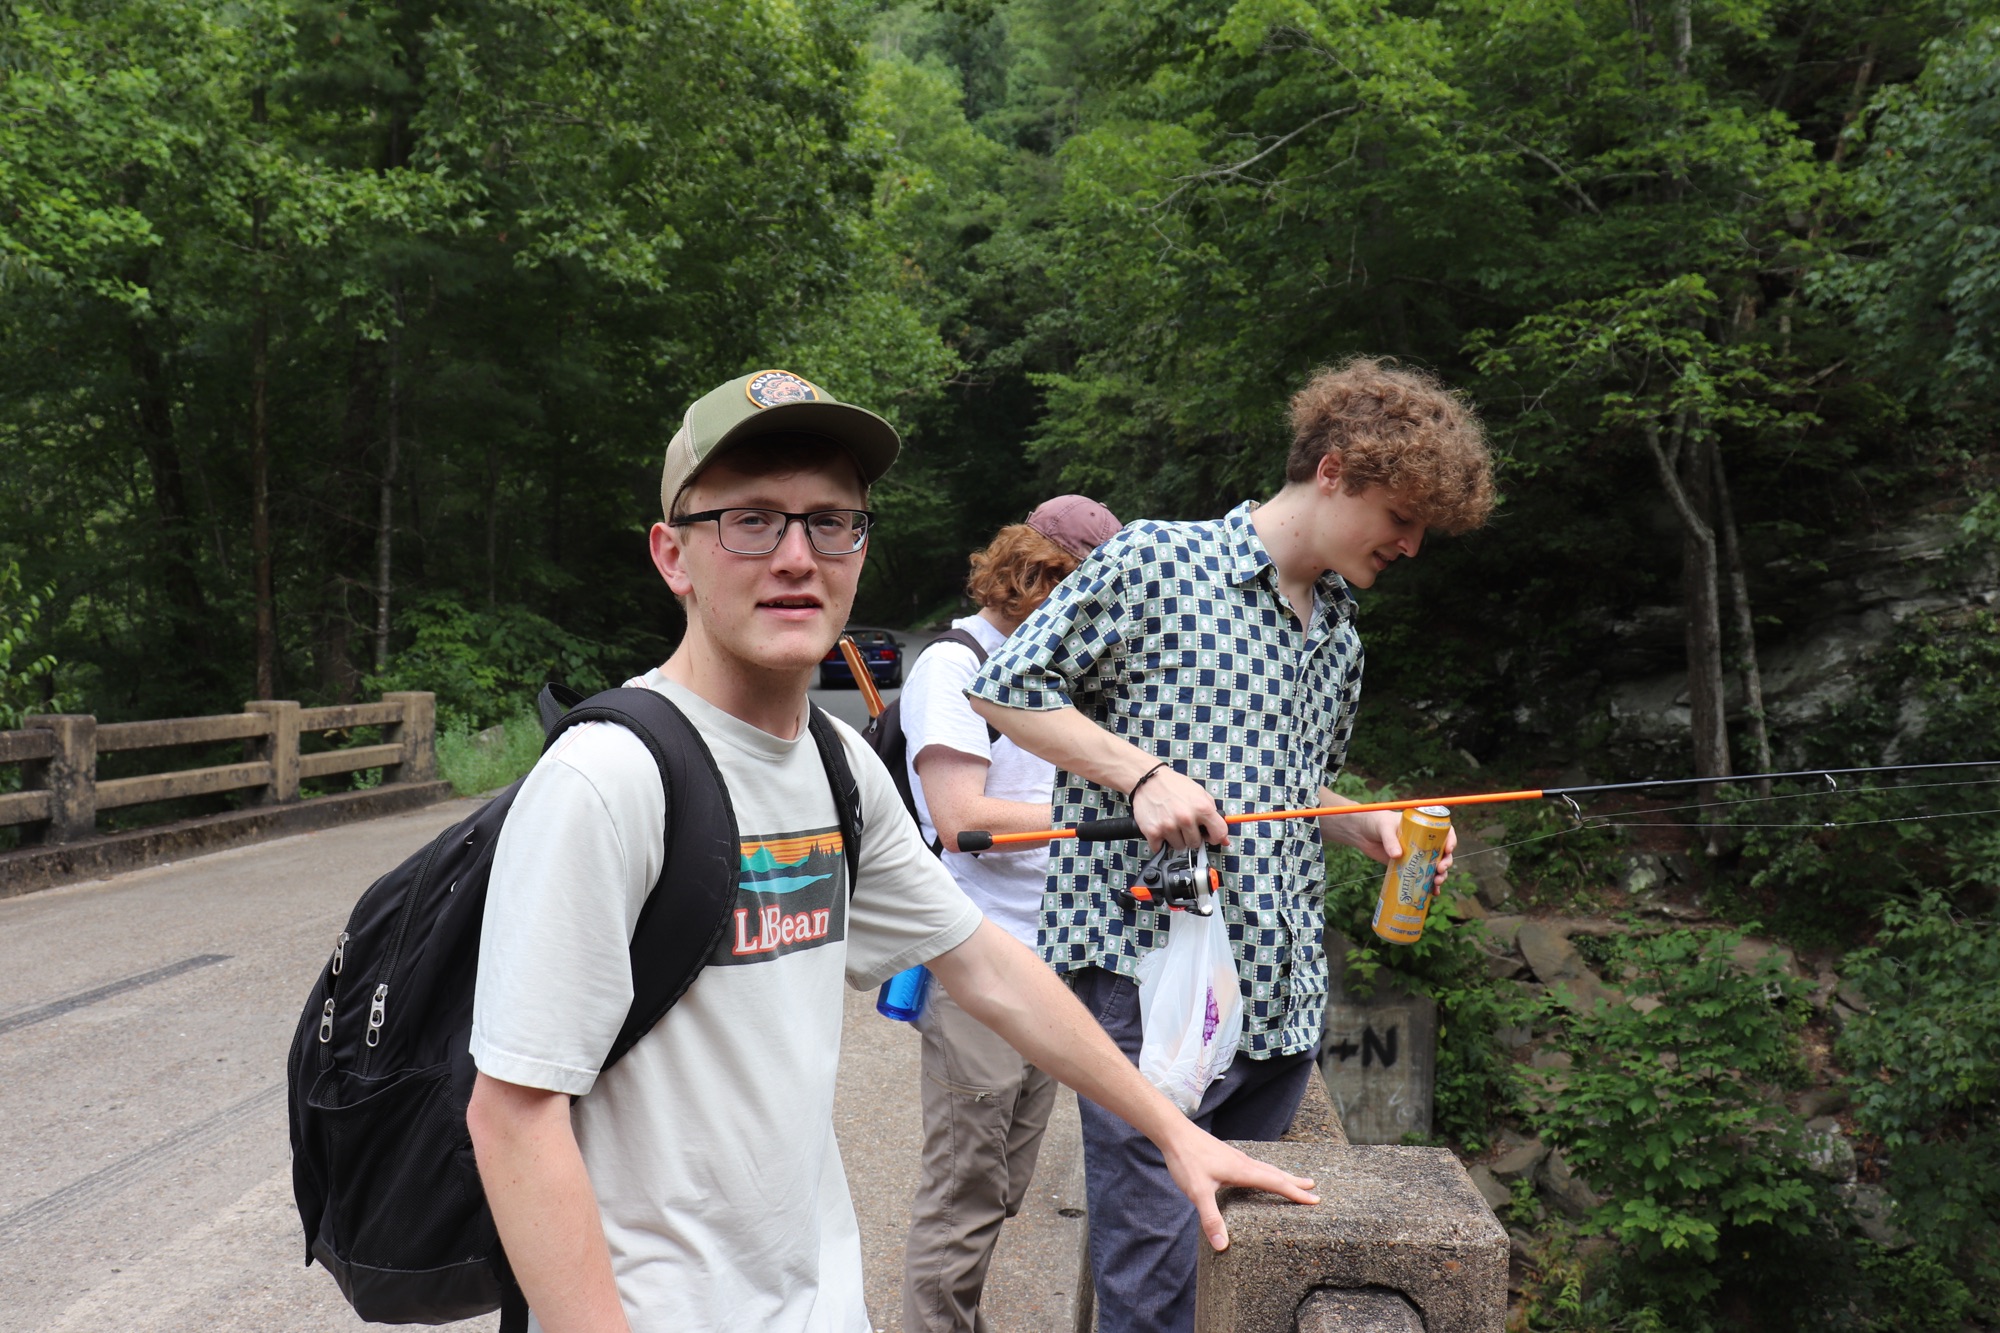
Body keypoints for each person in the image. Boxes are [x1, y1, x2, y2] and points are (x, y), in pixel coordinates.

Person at [462, 369, 1317, 1333]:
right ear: (674, 555)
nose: (798, 555)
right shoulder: (605, 779)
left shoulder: (834, 767)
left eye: (832, 522)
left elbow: (986, 964)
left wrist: (1170, 1130)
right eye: (750, 520)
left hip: (814, 1300)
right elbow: (513, 1114)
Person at [965, 357, 1497, 1333]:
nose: (1412, 546)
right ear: (1332, 471)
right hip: (1142, 981)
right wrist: (1139, 772)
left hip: (1279, 996)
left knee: (1242, 1282)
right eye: (1402, 517)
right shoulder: (1155, 560)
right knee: (1154, 1285)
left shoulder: (1338, 634)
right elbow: (1004, 684)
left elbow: (1290, 791)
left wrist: (1363, 822)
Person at [899, 494, 1124, 1333]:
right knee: (963, 1188)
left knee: (1001, 1185)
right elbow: (966, 822)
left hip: (1056, 955)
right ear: (1039, 575)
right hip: (975, 958)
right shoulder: (955, 669)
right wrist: (1124, 800)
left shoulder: (1058, 672)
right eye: (1082, 590)